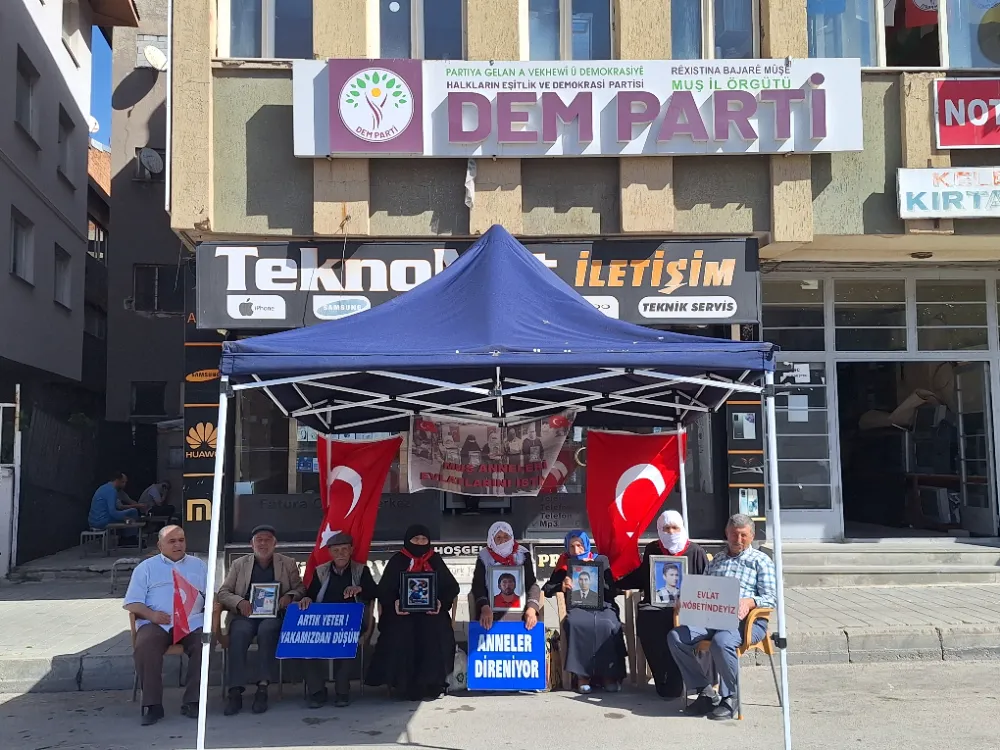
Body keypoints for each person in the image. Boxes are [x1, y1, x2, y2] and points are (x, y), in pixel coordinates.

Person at [667, 513, 776, 720]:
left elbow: (772, 598)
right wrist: (686, 597)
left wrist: (750, 602)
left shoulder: (761, 561)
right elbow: (703, 590)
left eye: (743, 535)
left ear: (752, 536)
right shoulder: (717, 559)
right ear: (726, 534)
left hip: (747, 622)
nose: (738, 539)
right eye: (734, 534)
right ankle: (705, 691)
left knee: (722, 641)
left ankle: (730, 697)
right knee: (676, 637)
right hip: (712, 618)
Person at [617, 510, 709, 698]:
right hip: (658, 605)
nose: (671, 532)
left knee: (679, 625)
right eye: (666, 528)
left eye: (675, 528)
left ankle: (686, 677)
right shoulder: (653, 549)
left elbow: (706, 584)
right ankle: (664, 678)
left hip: (688, 609)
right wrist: (614, 581)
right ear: (659, 529)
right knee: (648, 618)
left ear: (682, 528)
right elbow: (644, 577)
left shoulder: (696, 551)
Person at [216, 525, 304, 716]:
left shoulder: (287, 563)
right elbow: (223, 592)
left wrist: (289, 596)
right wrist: (239, 602)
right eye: (259, 540)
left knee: (267, 631)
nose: (263, 544)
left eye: (267, 540)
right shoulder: (239, 564)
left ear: (275, 543)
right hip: (245, 615)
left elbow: (300, 589)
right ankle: (235, 691)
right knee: (239, 634)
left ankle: (262, 688)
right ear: (252, 544)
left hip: (273, 615)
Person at [123, 525, 207, 726]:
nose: (178, 545)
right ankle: (153, 705)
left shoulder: (199, 566)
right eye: (172, 541)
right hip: (157, 623)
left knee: (205, 643)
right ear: (160, 545)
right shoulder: (146, 568)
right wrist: (152, 615)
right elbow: (132, 603)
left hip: (191, 622)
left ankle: (193, 701)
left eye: (181, 540)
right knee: (145, 645)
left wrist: (213, 607)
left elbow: (212, 595)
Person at [366, 525, 460, 701]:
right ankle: (403, 684)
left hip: (431, 613)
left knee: (436, 630)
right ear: (408, 541)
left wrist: (440, 602)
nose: (420, 543)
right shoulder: (398, 560)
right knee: (400, 632)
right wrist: (395, 603)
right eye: (416, 539)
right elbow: (384, 590)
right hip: (401, 613)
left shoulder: (435, 560)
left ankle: (432, 683)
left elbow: (451, 587)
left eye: (424, 539)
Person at [298, 532, 377, 708]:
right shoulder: (321, 571)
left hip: (352, 620)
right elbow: (311, 595)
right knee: (304, 642)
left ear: (351, 550)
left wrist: (359, 589)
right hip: (324, 620)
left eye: (344, 549)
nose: (340, 554)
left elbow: (374, 592)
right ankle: (317, 690)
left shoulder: (361, 570)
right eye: (336, 550)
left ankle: (342, 689)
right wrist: (307, 598)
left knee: (347, 640)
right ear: (330, 553)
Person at [543, 530, 626, 694]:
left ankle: (609, 676)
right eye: (572, 546)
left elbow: (612, 589)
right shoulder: (565, 563)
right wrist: (562, 585)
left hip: (603, 605)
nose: (576, 550)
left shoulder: (600, 560)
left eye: (579, 545)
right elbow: (547, 589)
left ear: (587, 545)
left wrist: (596, 575)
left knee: (608, 625)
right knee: (577, 623)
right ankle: (582, 677)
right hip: (578, 606)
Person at [472, 522, 540, 629]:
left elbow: (531, 584)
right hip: (490, 610)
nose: (502, 540)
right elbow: (478, 585)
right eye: (498, 537)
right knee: (486, 622)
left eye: (506, 536)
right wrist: (484, 607)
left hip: (519, 610)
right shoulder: (484, 556)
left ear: (511, 537)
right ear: (492, 539)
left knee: (528, 622)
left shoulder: (522, 554)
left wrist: (531, 608)